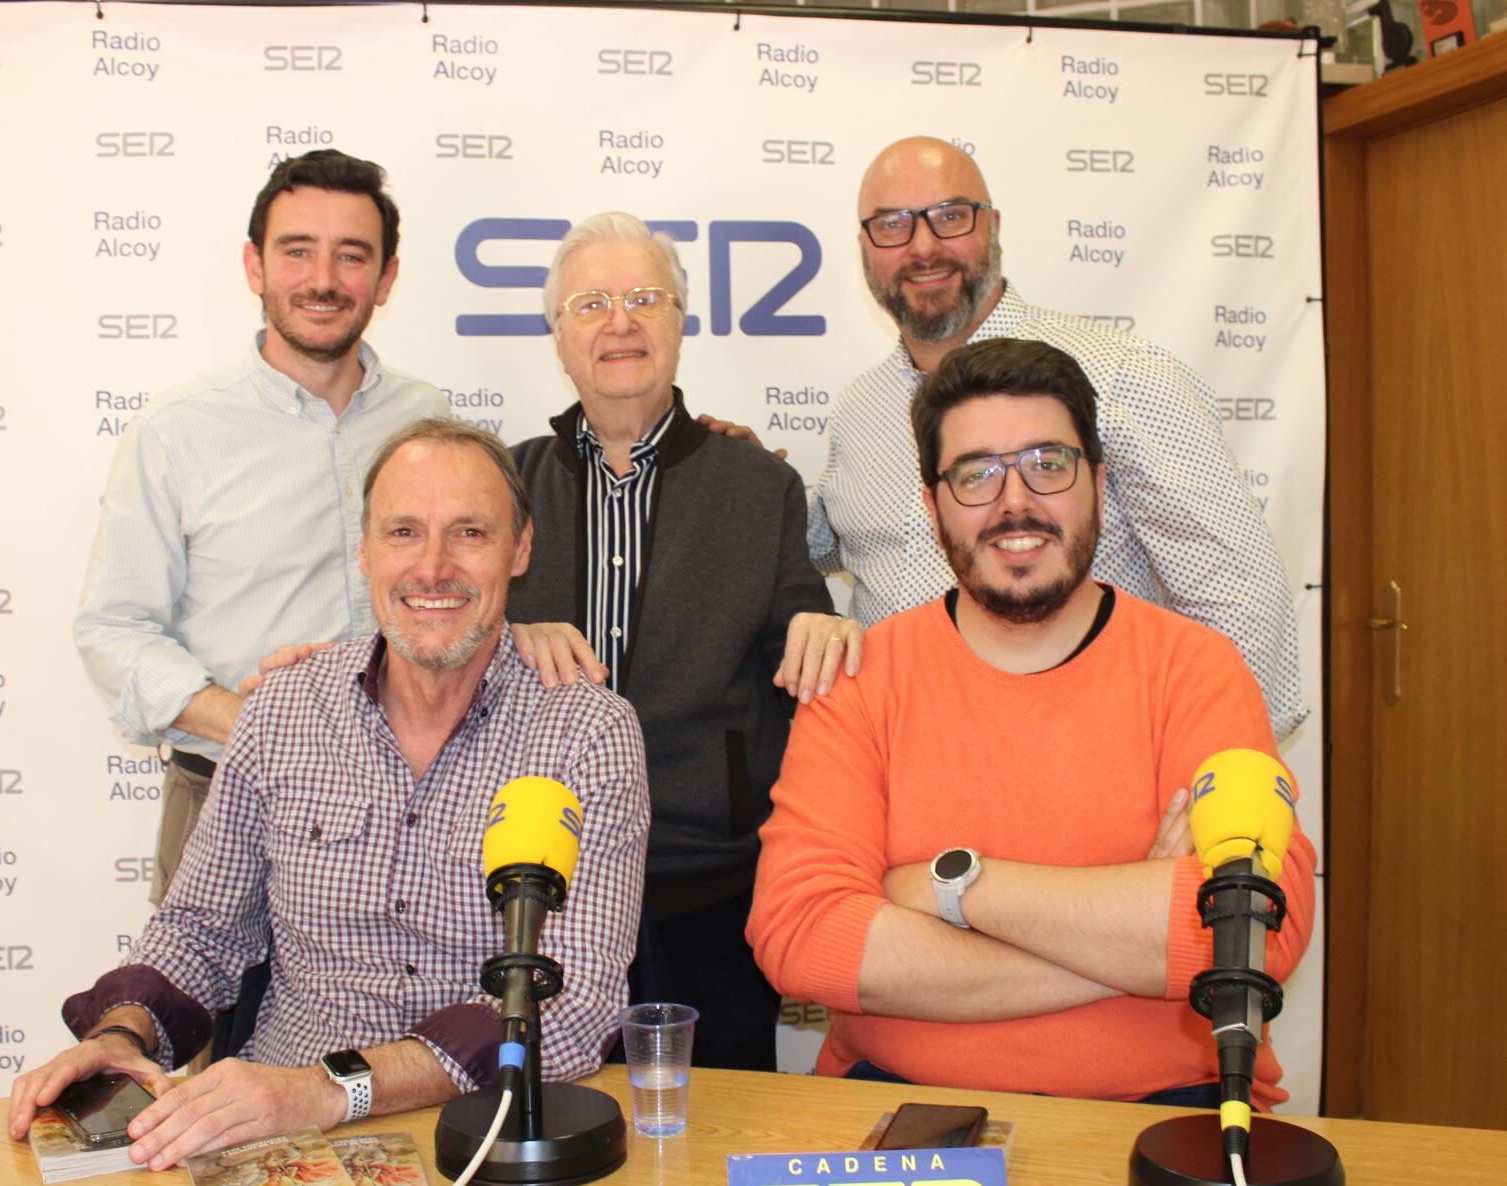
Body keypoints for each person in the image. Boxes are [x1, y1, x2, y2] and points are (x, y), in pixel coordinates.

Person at [10, 420, 649, 1168]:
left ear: (521, 549)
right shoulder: (283, 710)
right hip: (278, 1139)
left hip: (487, 1135)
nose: (433, 567)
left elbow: (571, 1004)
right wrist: (119, 1036)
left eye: (469, 533)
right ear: (365, 551)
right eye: (403, 532)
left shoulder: (587, 731)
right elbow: (200, 931)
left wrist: (331, 1088)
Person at [745, 338, 1317, 1107]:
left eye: (1049, 463)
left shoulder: (1196, 668)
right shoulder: (861, 677)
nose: (1015, 502)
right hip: (898, 1107)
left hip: (1165, 1108)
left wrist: (953, 890)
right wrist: (1123, 945)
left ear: (1099, 485)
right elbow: (805, 939)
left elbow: (1262, 930)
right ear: (931, 503)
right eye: (976, 473)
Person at [714, 136, 1303, 742]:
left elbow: (1240, 604)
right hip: (909, 780)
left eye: (950, 217)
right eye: (892, 224)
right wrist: (745, 477)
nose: (922, 246)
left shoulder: (1123, 378)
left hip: (1092, 777)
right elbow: (849, 542)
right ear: (866, 248)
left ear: (993, 226)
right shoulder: (863, 409)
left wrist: (1213, 775)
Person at [507, 212, 858, 1072]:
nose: (619, 322)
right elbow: (441, 635)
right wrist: (507, 630)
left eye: (644, 298)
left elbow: (796, 634)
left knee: (719, 1131)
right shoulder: (505, 481)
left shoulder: (760, 483)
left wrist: (826, 625)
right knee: (546, 1116)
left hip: (713, 888)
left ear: (680, 322)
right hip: (543, 882)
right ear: (558, 337)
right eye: (590, 303)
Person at [73, 149, 449, 907]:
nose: (322, 279)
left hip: (418, 803)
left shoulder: (428, 420)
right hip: (231, 802)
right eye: (297, 251)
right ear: (255, 266)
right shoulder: (175, 432)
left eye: (352, 256)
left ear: (385, 279)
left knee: (398, 1026)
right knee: (212, 1020)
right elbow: (113, 630)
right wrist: (257, 723)